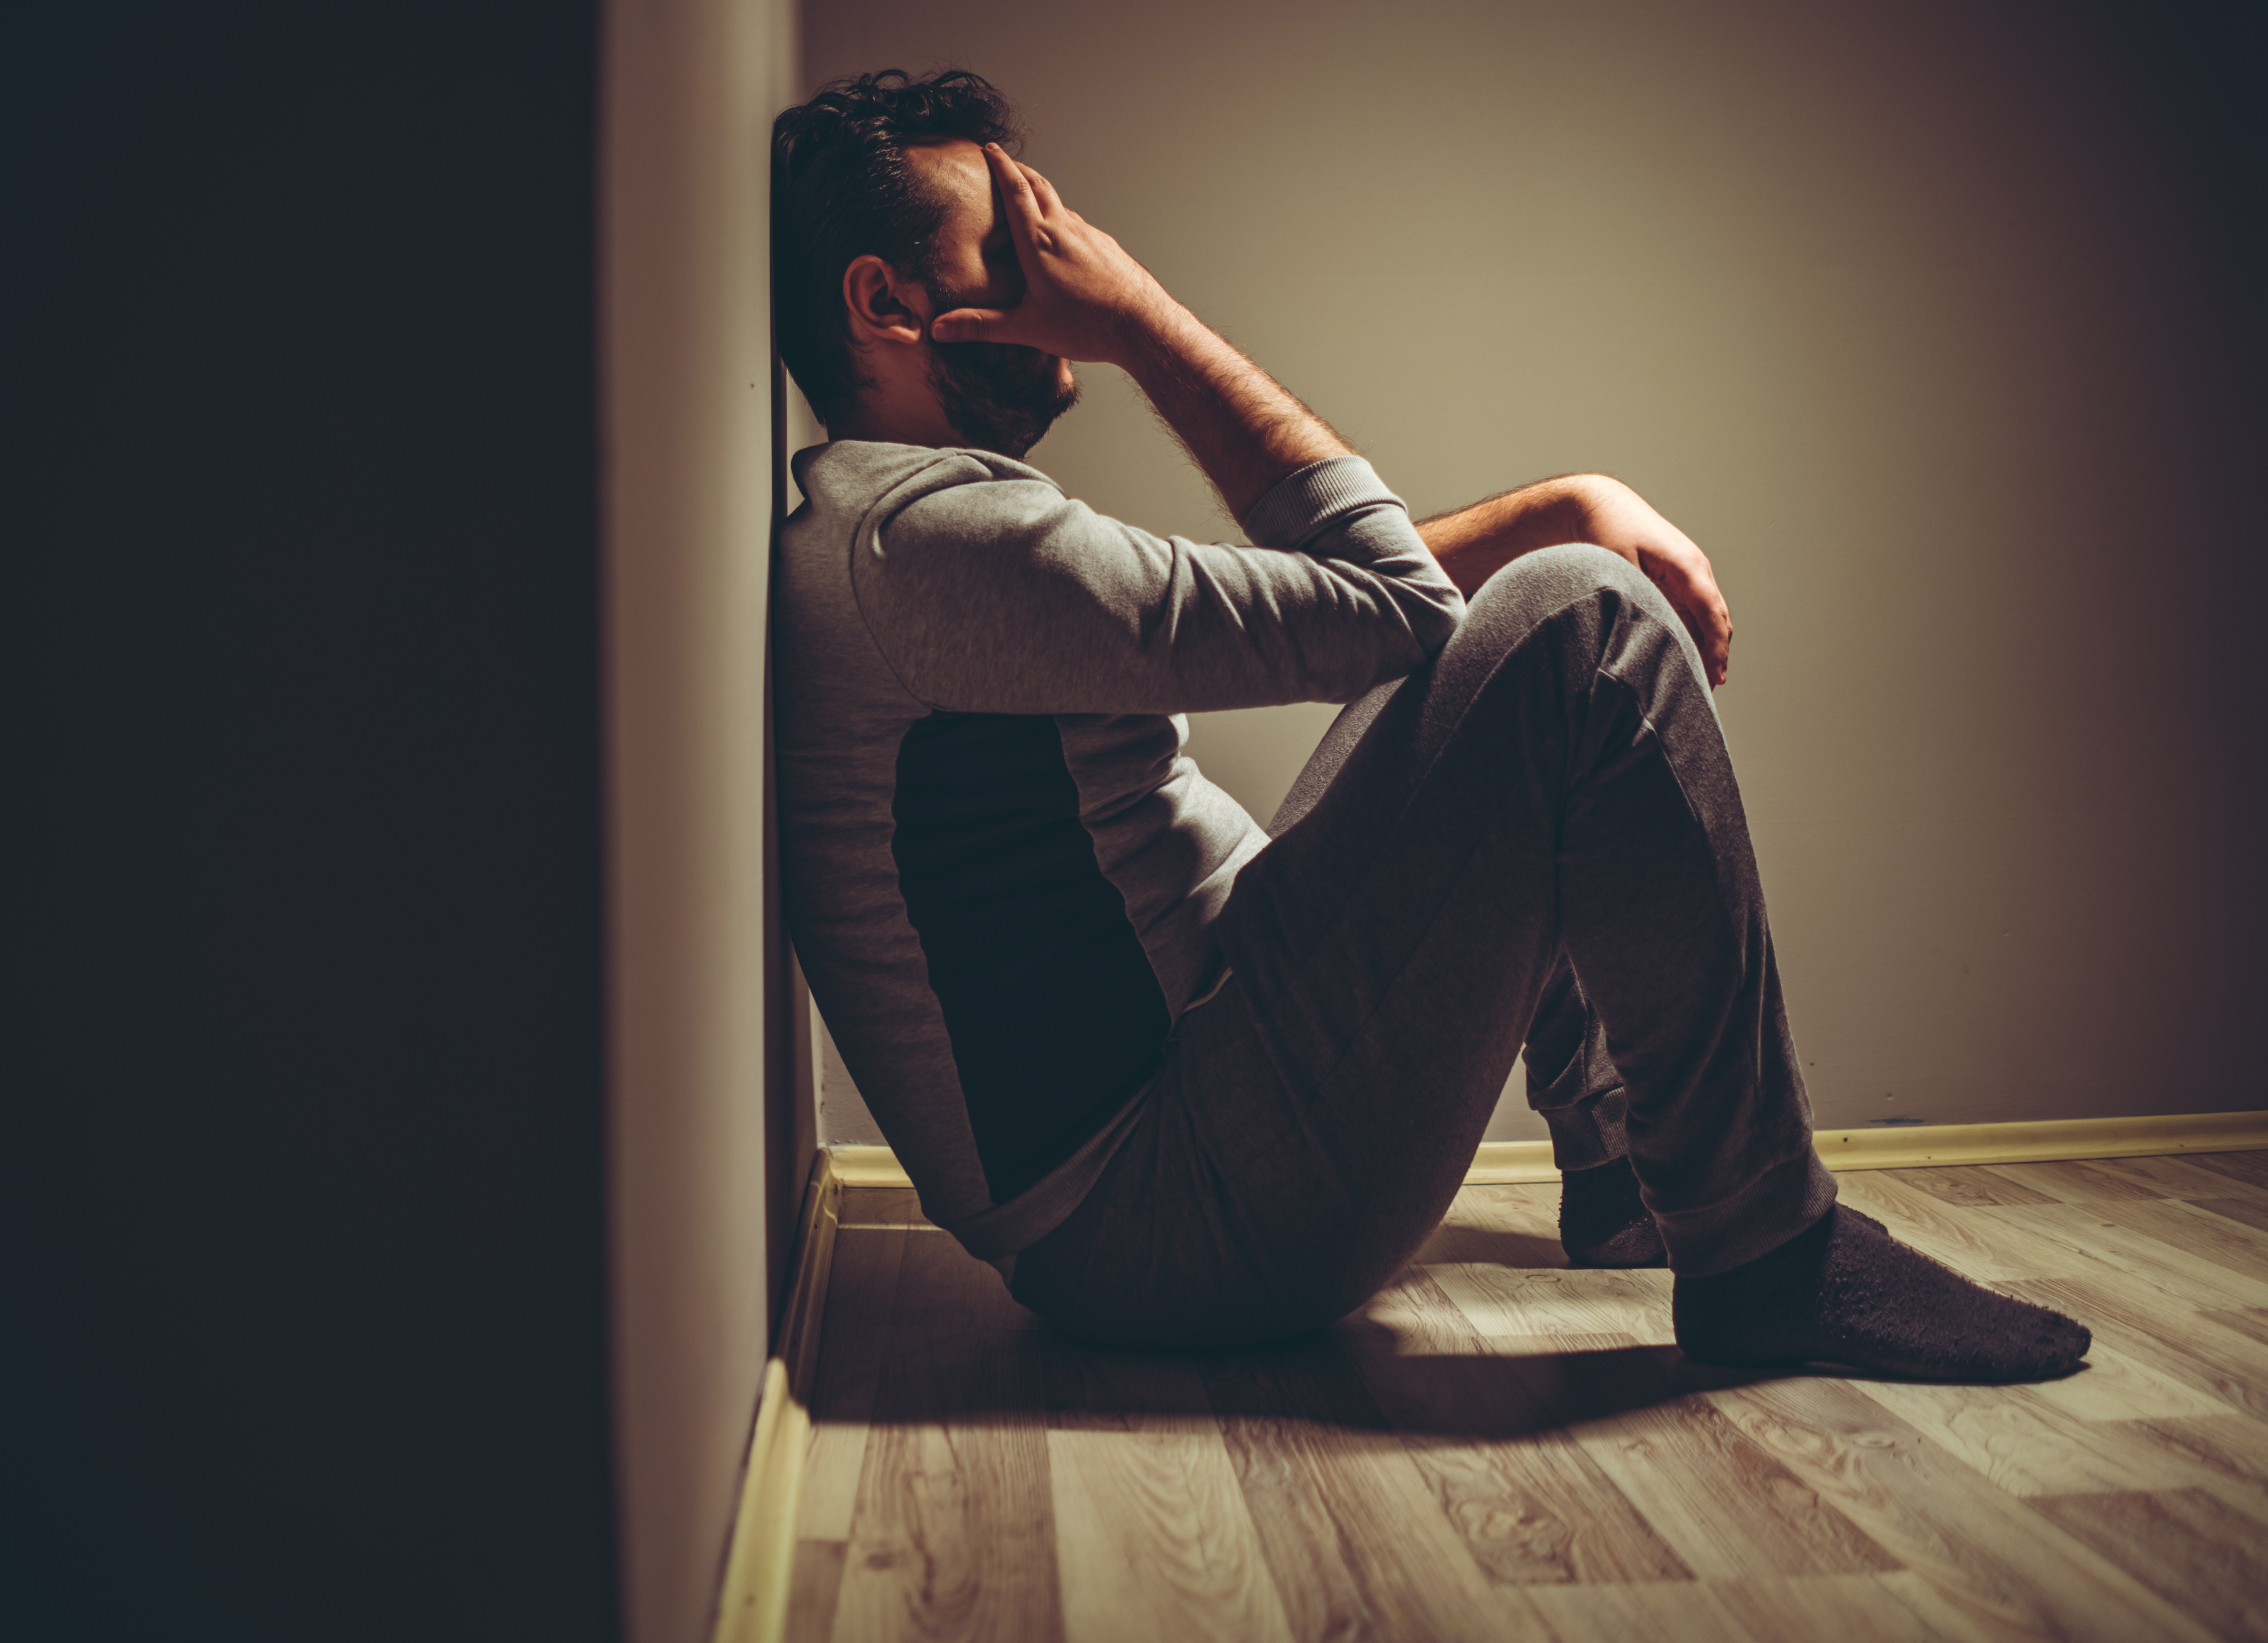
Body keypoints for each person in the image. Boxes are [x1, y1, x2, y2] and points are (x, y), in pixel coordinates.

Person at [770, 68, 2088, 1380]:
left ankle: (1628, 1175)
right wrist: (1140, 318)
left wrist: (1563, 500)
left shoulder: (913, 529)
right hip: (1162, 1218)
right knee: (1581, 629)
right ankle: (1768, 1254)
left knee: (1524, 644)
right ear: (886, 302)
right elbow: (1391, 604)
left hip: (1199, 1102)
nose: (1069, 259)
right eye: (1015, 242)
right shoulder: (934, 546)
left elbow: (1343, 616)